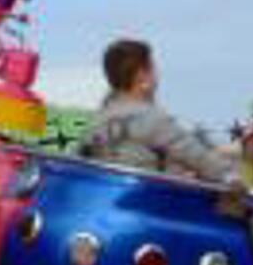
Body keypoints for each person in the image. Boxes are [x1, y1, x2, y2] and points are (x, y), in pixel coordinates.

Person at [79, 39, 236, 183]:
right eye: (153, 70)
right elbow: (200, 159)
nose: (156, 77)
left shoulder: (95, 124)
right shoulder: (151, 118)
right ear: (142, 78)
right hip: (150, 205)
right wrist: (232, 177)